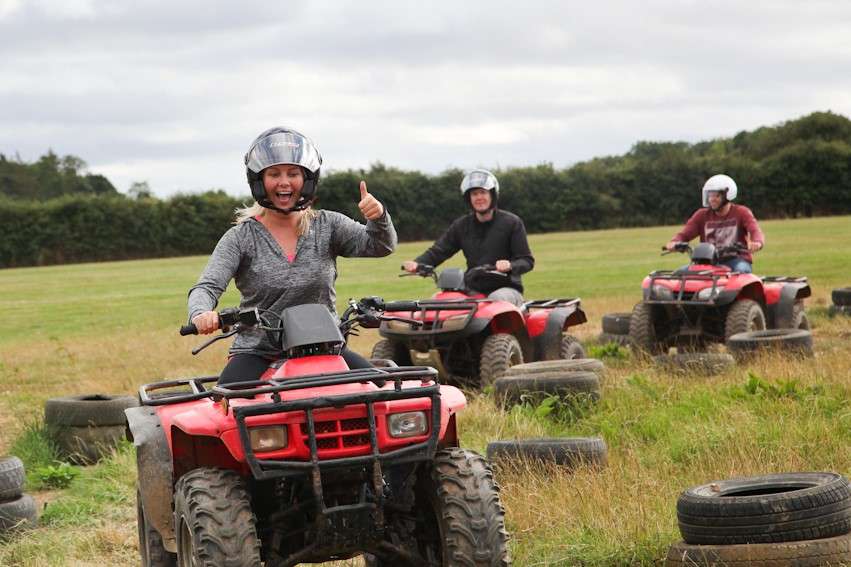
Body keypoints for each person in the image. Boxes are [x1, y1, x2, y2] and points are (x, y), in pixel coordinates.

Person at [187, 127, 396, 384]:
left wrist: (378, 217)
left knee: (382, 390)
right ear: (259, 180)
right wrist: (201, 313)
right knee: (229, 401)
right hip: (258, 351)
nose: (284, 182)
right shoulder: (240, 237)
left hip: (327, 345)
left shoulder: (328, 225)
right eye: (274, 174)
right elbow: (207, 286)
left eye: (293, 173)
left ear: (307, 179)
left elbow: (380, 246)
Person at [402, 168, 534, 306]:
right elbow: (439, 250)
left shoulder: (511, 223)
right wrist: (417, 263)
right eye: (474, 194)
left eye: (483, 192)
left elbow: (527, 261)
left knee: (495, 301)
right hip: (471, 288)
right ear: (468, 198)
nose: (479, 197)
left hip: (506, 288)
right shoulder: (462, 225)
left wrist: (510, 265)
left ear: (492, 195)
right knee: (438, 301)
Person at [665, 174, 764, 273]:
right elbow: (685, 234)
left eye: (716, 196)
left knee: (740, 272)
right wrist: (675, 242)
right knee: (679, 274)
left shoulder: (741, 212)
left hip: (736, 259)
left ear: (728, 195)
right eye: (710, 195)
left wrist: (757, 242)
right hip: (708, 261)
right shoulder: (701, 215)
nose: (711, 199)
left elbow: (755, 230)